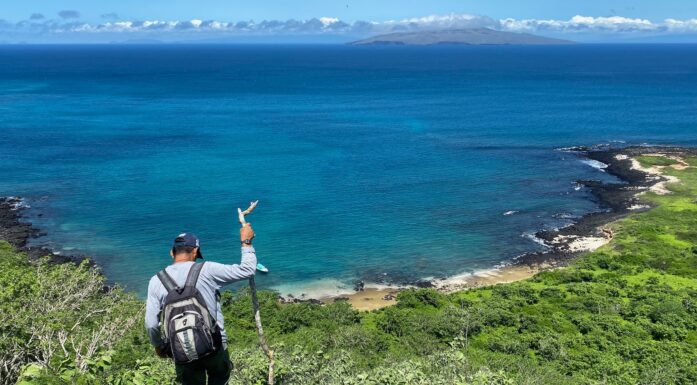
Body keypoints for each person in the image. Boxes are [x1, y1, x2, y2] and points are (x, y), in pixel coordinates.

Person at [145, 223, 257, 385]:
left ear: (172, 253)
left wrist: (158, 345)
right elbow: (247, 270)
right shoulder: (207, 270)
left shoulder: (156, 281)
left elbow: (151, 324)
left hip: (181, 350)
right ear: (195, 251)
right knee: (219, 378)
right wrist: (246, 242)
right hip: (214, 346)